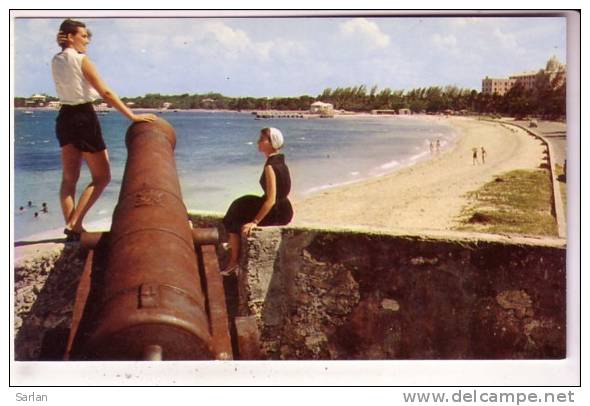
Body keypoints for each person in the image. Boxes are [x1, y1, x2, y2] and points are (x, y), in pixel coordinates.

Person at [52, 19, 156, 242]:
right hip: (83, 117)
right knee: (102, 177)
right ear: (70, 37)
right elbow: (106, 93)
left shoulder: (56, 59)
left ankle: (73, 229)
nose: (87, 40)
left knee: (69, 179)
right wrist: (132, 116)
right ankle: (74, 224)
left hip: (64, 117)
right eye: (84, 36)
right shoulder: (81, 60)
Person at [221, 127, 294, 276]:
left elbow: (271, 199)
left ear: (271, 142)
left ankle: (233, 261)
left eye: (262, 139)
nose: (258, 142)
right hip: (285, 209)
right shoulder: (280, 161)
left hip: (275, 211)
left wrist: (254, 221)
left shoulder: (270, 166)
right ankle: (234, 245)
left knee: (235, 213)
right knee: (240, 204)